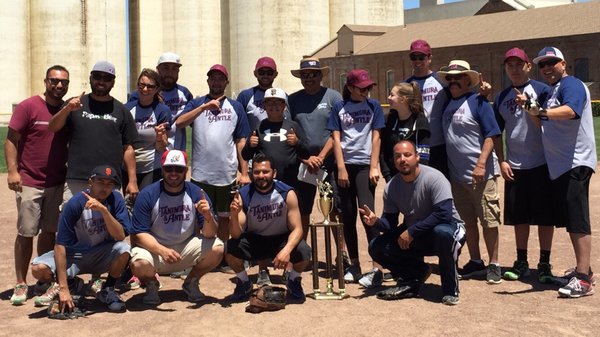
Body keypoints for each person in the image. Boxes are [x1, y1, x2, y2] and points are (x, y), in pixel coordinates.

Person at [520, 47, 596, 298]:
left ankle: (583, 278)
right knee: (571, 218)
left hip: (575, 162)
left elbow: (571, 112)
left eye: (552, 62)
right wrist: (532, 109)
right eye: (542, 65)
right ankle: (584, 270)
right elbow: (541, 121)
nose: (547, 68)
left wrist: (540, 110)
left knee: (577, 219)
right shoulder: (552, 92)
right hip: (560, 165)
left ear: (563, 64)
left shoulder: (570, 84)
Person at [360, 140, 465, 305]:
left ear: (417, 157)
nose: (402, 159)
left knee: (442, 234)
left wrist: (411, 231)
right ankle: (416, 274)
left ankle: (450, 289)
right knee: (377, 246)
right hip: (417, 233)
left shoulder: (434, 177)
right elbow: (390, 224)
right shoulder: (392, 187)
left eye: (407, 155)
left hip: (449, 229)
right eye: (398, 156)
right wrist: (376, 222)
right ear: (394, 161)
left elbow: (443, 214)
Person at [5, 65, 71, 306]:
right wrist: (13, 171)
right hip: (31, 181)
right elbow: (12, 139)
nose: (59, 86)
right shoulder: (29, 106)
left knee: (50, 232)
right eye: (54, 81)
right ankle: (21, 282)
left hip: (56, 181)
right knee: (26, 232)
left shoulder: (66, 110)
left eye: (64, 82)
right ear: (46, 81)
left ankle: (42, 278)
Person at [491, 48, 555, 283]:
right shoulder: (501, 96)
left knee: (545, 217)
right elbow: (496, 133)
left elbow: (549, 126)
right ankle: (521, 262)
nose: (515, 69)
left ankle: (545, 262)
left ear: (529, 66)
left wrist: (530, 107)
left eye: (519, 64)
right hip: (515, 166)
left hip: (542, 163)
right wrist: (502, 160)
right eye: (510, 65)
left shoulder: (543, 91)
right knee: (520, 217)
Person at [30, 165, 131, 312]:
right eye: (100, 182)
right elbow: (60, 245)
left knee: (124, 249)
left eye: (110, 184)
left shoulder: (116, 199)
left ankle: (107, 289)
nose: (105, 188)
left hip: (100, 254)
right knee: (38, 269)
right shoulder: (75, 203)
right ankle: (69, 284)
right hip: (74, 254)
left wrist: (104, 211)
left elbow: (120, 235)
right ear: (90, 182)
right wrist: (64, 289)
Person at [129, 150, 224, 304]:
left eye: (179, 169)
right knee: (139, 263)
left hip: (185, 247)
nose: (174, 173)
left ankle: (191, 282)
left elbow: (209, 234)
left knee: (218, 248)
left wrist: (207, 217)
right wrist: (162, 250)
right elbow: (139, 234)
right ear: (162, 170)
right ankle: (152, 284)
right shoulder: (148, 194)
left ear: (186, 171)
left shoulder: (196, 193)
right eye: (169, 168)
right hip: (156, 251)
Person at [438, 60, 502, 284]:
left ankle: (494, 263)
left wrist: (482, 163)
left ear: (468, 80)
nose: (452, 81)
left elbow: (492, 134)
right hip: (457, 176)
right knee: (468, 222)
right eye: (449, 78)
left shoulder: (478, 101)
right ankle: (476, 261)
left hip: (481, 174)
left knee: (489, 219)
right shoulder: (447, 102)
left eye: (458, 77)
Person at [177, 64, 250, 247]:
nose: (216, 82)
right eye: (213, 78)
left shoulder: (236, 107)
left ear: (226, 82)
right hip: (201, 174)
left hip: (227, 174)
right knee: (199, 216)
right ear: (208, 80)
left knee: (225, 216)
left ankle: (222, 255)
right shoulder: (196, 103)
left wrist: (244, 172)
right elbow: (179, 123)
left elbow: (241, 140)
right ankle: (200, 255)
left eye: (220, 78)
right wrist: (203, 108)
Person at [48, 61, 139, 202]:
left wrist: (132, 181)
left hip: (109, 181)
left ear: (113, 82)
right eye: (97, 76)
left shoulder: (122, 111)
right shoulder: (74, 104)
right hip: (77, 181)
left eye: (107, 78)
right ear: (90, 78)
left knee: (109, 222)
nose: (101, 81)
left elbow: (128, 148)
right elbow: (53, 127)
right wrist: (67, 109)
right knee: (74, 223)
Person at [327, 69, 385, 286]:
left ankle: (377, 266)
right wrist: (341, 168)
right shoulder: (339, 107)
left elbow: (376, 137)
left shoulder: (374, 107)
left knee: (368, 216)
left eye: (368, 87)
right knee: (347, 217)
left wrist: (373, 166)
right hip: (345, 166)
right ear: (350, 88)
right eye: (362, 88)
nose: (366, 91)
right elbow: (335, 138)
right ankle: (354, 265)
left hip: (364, 167)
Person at [227, 152, 310, 301]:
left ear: (274, 173)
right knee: (230, 248)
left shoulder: (287, 193)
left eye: (265, 171)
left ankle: (294, 280)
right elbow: (235, 235)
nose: (261, 175)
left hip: (280, 239)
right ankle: (244, 282)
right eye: (257, 172)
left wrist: (286, 251)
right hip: (255, 240)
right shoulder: (243, 194)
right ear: (252, 174)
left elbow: (298, 229)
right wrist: (233, 215)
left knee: (304, 251)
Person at [288, 57, 344, 240]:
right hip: (304, 165)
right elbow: (290, 132)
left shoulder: (333, 97)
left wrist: (320, 157)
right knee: (302, 210)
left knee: (334, 209)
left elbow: (337, 131)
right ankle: (302, 251)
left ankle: (340, 253)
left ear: (320, 75)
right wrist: (306, 158)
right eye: (305, 75)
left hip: (328, 163)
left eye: (313, 74)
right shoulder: (293, 99)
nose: (309, 78)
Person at [129, 52, 194, 151]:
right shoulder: (140, 94)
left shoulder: (185, 93)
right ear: (158, 69)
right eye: (166, 68)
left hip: (176, 153)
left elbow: (194, 123)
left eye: (174, 69)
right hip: (149, 155)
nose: (170, 72)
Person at [405, 40, 447, 176]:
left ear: (429, 58)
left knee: (439, 185)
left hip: (438, 145)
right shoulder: (406, 85)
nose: (417, 61)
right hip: (415, 146)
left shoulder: (442, 81)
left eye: (421, 57)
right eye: (413, 57)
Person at [124, 68, 171, 190]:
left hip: (151, 167)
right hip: (128, 167)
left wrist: (160, 136)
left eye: (150, 86)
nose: (145, 89)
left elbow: (161, 147)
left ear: (156, 89)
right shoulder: (127, 109)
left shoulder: (162, 111)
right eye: (142, 85)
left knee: (146, 202)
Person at [381, 81, 431, 181]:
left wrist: (416, 178)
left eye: (392, 95)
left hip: (416, 178)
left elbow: (424, 156)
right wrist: (387, 176)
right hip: (393, 178)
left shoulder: (420, 121)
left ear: (403, 99)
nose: (388, 98)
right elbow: (384, 152)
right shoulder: (389, 121)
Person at [237, 56, 289, 131]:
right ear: (255, 73)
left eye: (269, 72)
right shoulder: (245, 96)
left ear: (275, 74)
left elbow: (288, 120)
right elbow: (238, 122)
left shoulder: (283, 95)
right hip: (254, 141)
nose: (265, 76)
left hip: (278, 140)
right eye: (261, 72)